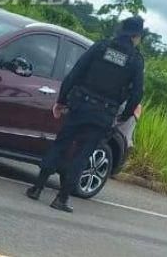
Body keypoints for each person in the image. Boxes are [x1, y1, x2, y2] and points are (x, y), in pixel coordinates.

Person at [25, 16, 145, 213]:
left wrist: (61, 101)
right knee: (83, 154)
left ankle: (37, 188)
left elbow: (76, 73)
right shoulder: (135, 60)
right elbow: (137, 93)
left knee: (60, 144)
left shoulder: (101, 47)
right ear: (136, 36)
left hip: (80, 105)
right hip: (104, 113)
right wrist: (124, 116)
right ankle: (61, 198)